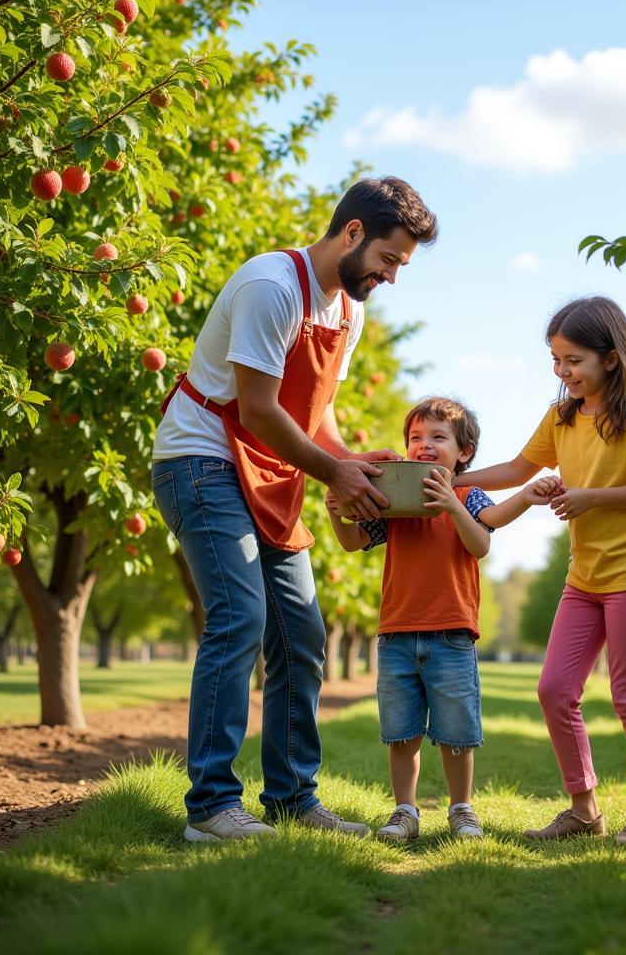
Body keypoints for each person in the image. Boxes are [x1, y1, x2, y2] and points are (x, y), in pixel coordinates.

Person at [152, 177, 437, 842]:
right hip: (202, 460)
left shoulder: (348, 312)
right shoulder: (272, 286)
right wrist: (331, 470)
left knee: (302, 636)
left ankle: (291, 798)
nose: (392, 277)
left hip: (273, 472)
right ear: (354, 233)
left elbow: (316, 413)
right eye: (390, 260)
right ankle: (211, 809)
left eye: (402, 266)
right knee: (240, 619)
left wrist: (352, 462)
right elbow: (255, 410)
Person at [455, 297, 626, 845]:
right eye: (556, 360)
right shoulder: (561, 417)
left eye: (573, 360)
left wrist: (589, 498)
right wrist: (450, 472)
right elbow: (516, 469)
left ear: (612, 358)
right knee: (554, 690)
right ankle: (584, 809)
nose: (563, 372)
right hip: (585, 577)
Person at [327, 396, 556, 842]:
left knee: (456, 734)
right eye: (415, 437)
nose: (424, 445)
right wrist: (338, 514)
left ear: (463, 452)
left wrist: (477, 502)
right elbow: (354, 542)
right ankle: (405, 811)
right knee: (402, 734)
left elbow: (483, 541)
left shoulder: (467, 496)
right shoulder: (395, 496)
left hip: (452, 637)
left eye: (437, 437)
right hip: (396, 634)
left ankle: (461, 808)